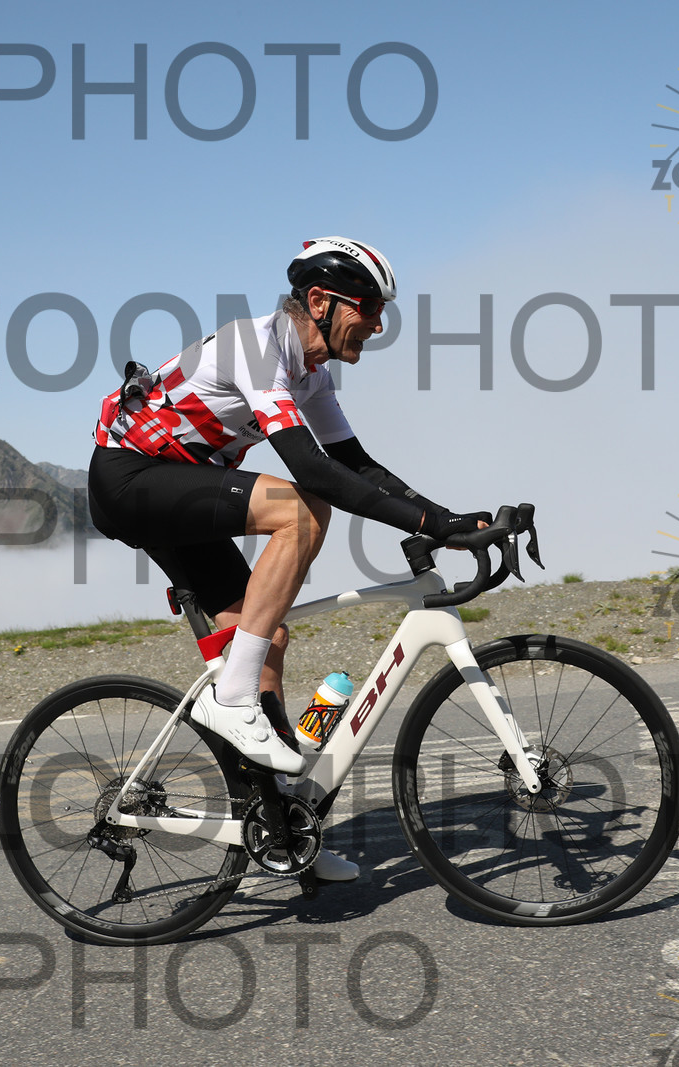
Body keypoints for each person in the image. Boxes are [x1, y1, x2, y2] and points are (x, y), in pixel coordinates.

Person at [87, 237, 490, 881]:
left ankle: (280, 830)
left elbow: (358, 466)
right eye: (369, 309)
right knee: (301, 510)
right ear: (321, 302)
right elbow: (313, 472)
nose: (378, 325)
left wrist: (447, 518)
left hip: (176, 487)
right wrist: (429, 525)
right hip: (129, 479)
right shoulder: (256, 348)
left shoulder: (312, 373)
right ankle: (233, 700)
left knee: (265, 639)